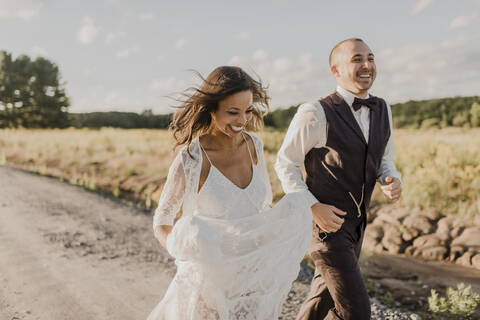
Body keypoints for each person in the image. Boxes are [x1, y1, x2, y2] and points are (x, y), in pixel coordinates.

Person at [148, 66, 312, 320]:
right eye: (232, 112)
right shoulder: (191, 159)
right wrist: (181, 246)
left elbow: (262, 210)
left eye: (248, 111)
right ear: (211, 109)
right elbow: (163, 219)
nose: (242, 120)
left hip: (252, 280)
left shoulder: (254, 146)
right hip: (208, 286)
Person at [275, 38, 402, 320]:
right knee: (356, 311)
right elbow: (285, 164)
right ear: (336, 70)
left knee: (322, 299)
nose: (367, 65)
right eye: (357, 59)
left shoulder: (383, 109)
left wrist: (391, 178)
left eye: (371, 58)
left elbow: (384, 160)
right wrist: (312, 206)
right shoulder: (315, 112)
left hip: (357, 225)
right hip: (325, 229)